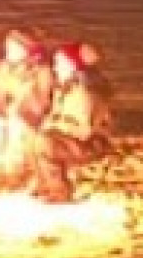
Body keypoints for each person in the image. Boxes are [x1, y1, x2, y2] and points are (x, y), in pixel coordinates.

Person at [33, 41, 112, 203]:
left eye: (59, 63)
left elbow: (84, 129)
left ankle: (60, 194)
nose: (55, 67)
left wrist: (54, 128)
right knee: (35, 139)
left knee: (45, 144)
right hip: (75, 139)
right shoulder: (65, 88)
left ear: (72, 66)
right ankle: (46, 187)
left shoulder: (83, 92)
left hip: (91, 144)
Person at [0, 29, 52, 193]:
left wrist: (22, 99)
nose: (9, 51)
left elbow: (42, 102)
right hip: (7, 114)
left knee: (17, 131)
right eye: (8, 47)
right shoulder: (4, 68)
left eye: (14, 48)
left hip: (29, 117)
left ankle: (15, 175)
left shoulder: (41, 70)